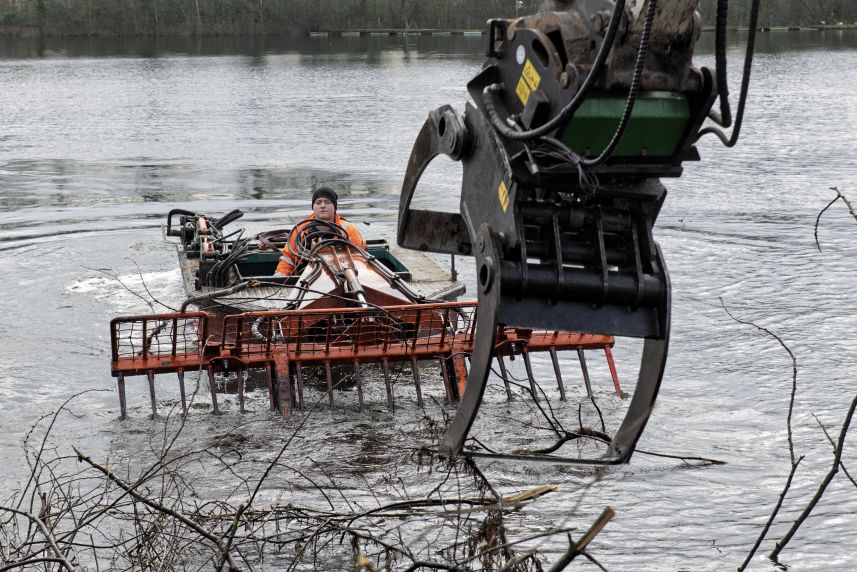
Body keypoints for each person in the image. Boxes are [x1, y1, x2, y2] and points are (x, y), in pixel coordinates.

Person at [274, 187, 366, 276]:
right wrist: (279, 276)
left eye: (327, 202)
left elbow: (360, 258)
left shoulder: (348, 229)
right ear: (313, 207)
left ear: (334, 207)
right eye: (318, 202)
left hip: (341, 276)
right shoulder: (300, 230)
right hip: (306, 277)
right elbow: (288, 259)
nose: (322, 206)